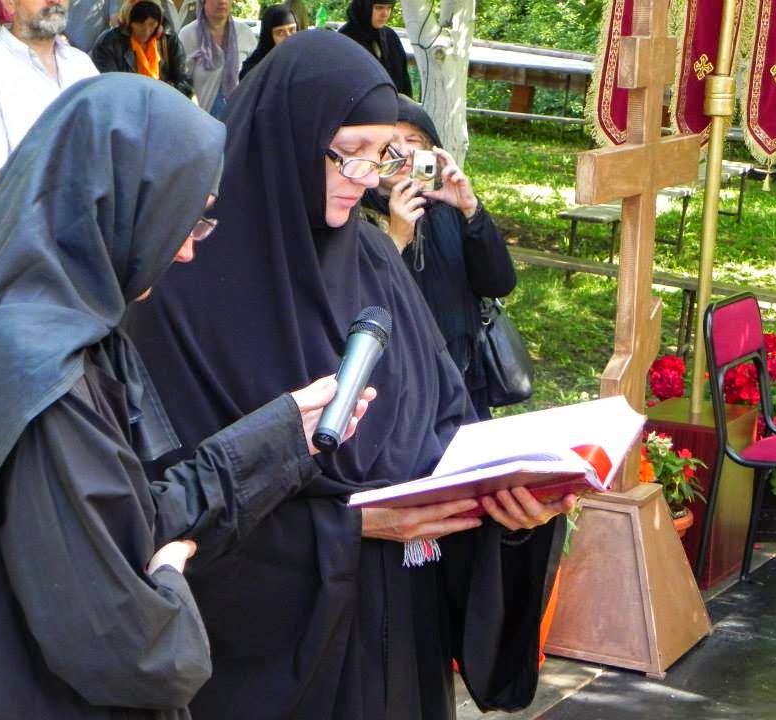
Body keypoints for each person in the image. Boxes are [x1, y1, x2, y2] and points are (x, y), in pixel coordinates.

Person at [0, 74, 374, 718]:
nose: (189, 249)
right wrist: (169, 582)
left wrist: (280, 438)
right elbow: (131, 648)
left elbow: (112, 515)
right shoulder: (44, 381)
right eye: (188, 217)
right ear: (119, 199)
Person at [127, 30, 574, 720]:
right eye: (348, 151)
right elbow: (162, 508)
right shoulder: (181, 283)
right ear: (287, 137)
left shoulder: (374, 258)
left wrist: (507, 510)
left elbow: (447, 422)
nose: (367, 177)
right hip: (273, 665)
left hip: (405, 635)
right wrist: (348, 530)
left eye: (384, 153)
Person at [361, 95, 516, 420]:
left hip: (462, 375)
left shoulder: (448, 206)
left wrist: (471, 211)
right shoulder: (356, 213)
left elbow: (499, 283)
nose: (402, 151)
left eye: (413, 140)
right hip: (395, 386)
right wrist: (396, 239)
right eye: (390, 142)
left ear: (431, 150)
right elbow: (361, 298)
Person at [0, 0, 97, 217]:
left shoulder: (82, 66)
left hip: (82, 230)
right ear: (9, 3)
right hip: (12, 235)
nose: (54, 1)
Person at [91, 0, 193, 97]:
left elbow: (184, 84)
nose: (146, 31)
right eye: (140, 24)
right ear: (128, 21)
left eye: (152, 24)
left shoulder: (168, 39)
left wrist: (159, 95)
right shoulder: (108, 44)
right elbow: (110, 87)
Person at [178, 0, 255, 116]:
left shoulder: (245, 33)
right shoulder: (188, 34)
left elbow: (256, 77)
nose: (222, 1)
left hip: (238, 116)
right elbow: (180, 83)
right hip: (200, 118)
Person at [339, 0, 411, 97]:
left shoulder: (390, 37)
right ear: (364, 8)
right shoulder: (345, 39)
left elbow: (404, 82)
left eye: (389, 8)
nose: (385, 14)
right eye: (379, 8)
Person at [238, 3, 296, 80]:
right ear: (268, 37)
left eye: (292, 30)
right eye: (280, 33)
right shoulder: (253, 72)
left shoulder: (304, 60)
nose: (288, 37)